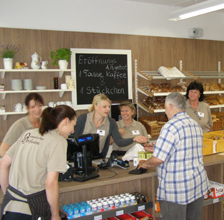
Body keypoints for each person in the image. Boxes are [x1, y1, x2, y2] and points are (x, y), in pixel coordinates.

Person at [138, 92, 207, 220]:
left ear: (170, 106)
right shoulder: (194, 124)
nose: (165, 112)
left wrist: (145, 163)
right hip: (197, 184)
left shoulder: (170, 127)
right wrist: (157, 148)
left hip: (177, 190)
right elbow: (183, 147)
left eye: (165, 107)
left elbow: (158, 159)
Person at [0, 105, 77, 220]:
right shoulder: (58, 141)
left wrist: (7, 193)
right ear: (66, 121)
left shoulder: (28, 134)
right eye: (73, 125)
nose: (73, 130)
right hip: (31, 210)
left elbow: (4, 164)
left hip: (9, 207)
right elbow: (50, 183)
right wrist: (55, 215)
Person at [74, 94, 147, 159]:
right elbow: (74, 140)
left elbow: (119, 142)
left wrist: (134, 139)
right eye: (104, 107)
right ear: (95, 106)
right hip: (81, 158)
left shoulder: (111, 122)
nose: (108, 109)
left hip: (98, 158)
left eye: (109, 106)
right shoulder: (83, 119)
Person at [0, 94, 44, 158]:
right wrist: (16, 164)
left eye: (39, 106)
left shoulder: (44, 123)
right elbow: (3, 150)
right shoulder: (19, 125)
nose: (37, 109)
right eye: (33, 107)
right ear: (27, 108)